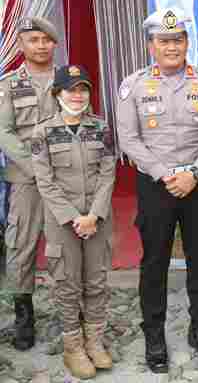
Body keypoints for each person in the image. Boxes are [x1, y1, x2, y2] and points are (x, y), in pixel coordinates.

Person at [116, 8, 198, 373]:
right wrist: (165, 174)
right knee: (154, 262)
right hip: (156, 185)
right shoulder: (134, 85)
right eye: (164, 41)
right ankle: (154, 336)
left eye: (177, 39)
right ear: (151, 45)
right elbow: (129, 139)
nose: (171, 47)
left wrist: (195, 172)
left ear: (187, 42)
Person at [30, 65, 116, 379]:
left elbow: (108, 174)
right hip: (62, 222)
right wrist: (74, 218)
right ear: (57, 94)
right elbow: (45, 181)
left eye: (83, 89)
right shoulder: (42, 132)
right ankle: (73, 347)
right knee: (67, 284)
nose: (77, 96)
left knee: (96, 280)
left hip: (97, 218)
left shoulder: (101, 128)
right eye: (71, 90)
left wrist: (93, 215)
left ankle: (94, 340)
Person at [0, 16, 60, 350]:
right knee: (21, 244)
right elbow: (4, 131)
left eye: (46, 40)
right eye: (33, 39)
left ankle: (72, 310)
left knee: (66, 244)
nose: (40, 45)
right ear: (21, 44)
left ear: (54, 44)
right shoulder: (9, 84)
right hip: (27, 179)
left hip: (64, 177)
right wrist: (34, 167)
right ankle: (24, 315)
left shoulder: (68, 80)